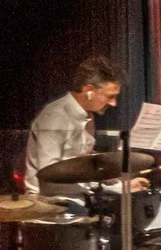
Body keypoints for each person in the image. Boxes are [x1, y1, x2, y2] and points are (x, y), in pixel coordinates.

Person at [24, 55, 124, 192]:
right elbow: (49, 176)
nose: (114, 103)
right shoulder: (55, 117)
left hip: (76, 197)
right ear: (89, 90)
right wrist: (116, 189)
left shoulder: (87, 116)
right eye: (110, 96)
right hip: (51, 202)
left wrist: (122, 186)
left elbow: (83, 173)